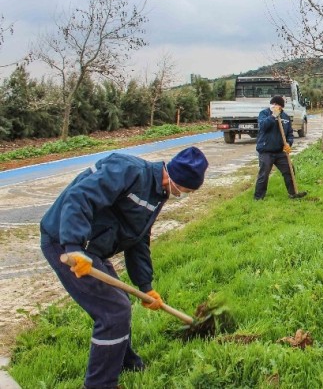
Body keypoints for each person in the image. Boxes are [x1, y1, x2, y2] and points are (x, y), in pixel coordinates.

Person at [40, 146, 209, 389]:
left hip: (91, 248)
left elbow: (138, 239)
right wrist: (73, 246)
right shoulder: (128, 170)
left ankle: (125, 361)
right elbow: (80, 197)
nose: (182, 194)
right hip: (64, 241)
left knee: (121, 302)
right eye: (185, 189)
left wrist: (146, 286)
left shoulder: (157, 194)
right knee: (113, 312)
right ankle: (100, 384)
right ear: (176, 178)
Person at [254, 96, 308, 200]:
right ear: (271, 105)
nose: (276, 107)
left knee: (289, 170)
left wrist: (288, 143)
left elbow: (290, 134)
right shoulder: (264, 114)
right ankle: (258, 197)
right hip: (266, 151)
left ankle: (293, 193)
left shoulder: (285, 117)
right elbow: (263, 126)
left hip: (280, 152)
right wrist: (273, 116)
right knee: (264, 174)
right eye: (274, 105)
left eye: (278, 106)